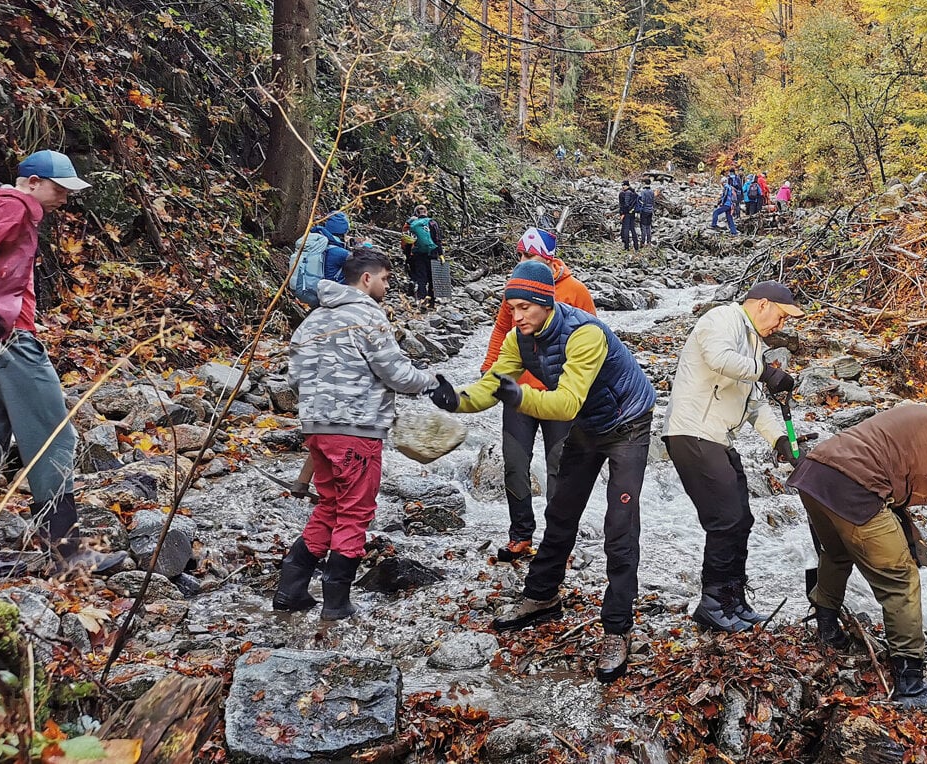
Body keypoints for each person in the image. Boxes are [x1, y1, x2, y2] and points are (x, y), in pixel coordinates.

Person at [433, 261, 656, 683]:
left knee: (620, 525)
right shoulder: (522, 337)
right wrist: (456, 400)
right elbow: (491, 384)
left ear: (544, 302)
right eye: (510, 308)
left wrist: (519, 397)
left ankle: (617, 628)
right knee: (561, 512)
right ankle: (541, 596)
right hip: (589, 428)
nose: (514, 317)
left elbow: (565, 404)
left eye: (522, 308)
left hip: (628, 424)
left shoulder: (585, 333)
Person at [0, 150, 127, 581]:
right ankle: (70, 556)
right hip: (7, 340)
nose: (64, 197)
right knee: (54, 438)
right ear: (31, 182)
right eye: (59, 188)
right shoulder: (14, 205)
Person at [786, 404, 927, 709]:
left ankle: (826, 628)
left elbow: (891, 473)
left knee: (838, 553)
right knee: (901, 581)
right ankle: (910, 683)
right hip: (853, 489)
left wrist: (910, 537)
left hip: (814, 473)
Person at [273, 249, 456, 620]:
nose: (387, 287)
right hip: (356, 430)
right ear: (367, 279)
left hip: (316, 428)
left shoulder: (313, 320)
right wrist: (432, 383)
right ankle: (336, 604)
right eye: (386, 279)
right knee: (355, 512)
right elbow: (395, 373)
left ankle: (290, 591)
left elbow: (292, 377)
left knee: (330, 504)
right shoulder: (367, 316)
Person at [663, 281, 805, 632]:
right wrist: (768, 372)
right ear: (761, 304)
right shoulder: (722, 318)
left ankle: (733, 597)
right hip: (692, 431)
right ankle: (713, 603)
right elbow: (719, 359)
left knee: (741, 518)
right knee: (724, 519)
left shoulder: (753, 343)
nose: (781, 325)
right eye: (781, 315)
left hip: (717, 437)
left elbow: (754, 404)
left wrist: (779, 441)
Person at [480, 228, 596, 563]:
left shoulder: (575, 291)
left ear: (546, 258)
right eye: (519, 255)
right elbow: (503, 328)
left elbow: (593, 337)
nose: (521, 262)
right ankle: (520, 536)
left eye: (528, 256)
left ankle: (558, 539)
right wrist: (491, 367)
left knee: (560, 469)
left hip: (560, 396)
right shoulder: (514, 290)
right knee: (514, 465)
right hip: (520, 393)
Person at [400, 205, 442, 305]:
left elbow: (408, 241)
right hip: (432, 252)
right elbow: (437, 239)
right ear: (426, 212)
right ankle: (432, 299)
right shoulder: (432, 222)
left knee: (421, 277)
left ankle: (421, 299)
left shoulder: (413, 224)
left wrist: (407, 255)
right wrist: (441, 254)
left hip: (418, 254)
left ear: (416, 213)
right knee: (432, 276)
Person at [618, 180, 640, 253]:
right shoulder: (634, 193)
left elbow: (626, 205)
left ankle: (626, 247)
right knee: (633, 229)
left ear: (627, 185)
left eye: (623, 185)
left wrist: (622, 214)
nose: (622, 187)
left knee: (626, 230)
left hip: (627, 213)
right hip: (632, 213)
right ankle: (636, 247)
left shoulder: (627, 193)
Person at [637, 180, 657, 247]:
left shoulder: (643, 191)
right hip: (650, 210)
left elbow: (643, 200)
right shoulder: (652, 192)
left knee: (643, 226)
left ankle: (642, 242)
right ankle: (649, 242)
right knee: (648, 227)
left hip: (644, 211)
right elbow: (653, 201)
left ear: (644, 183)